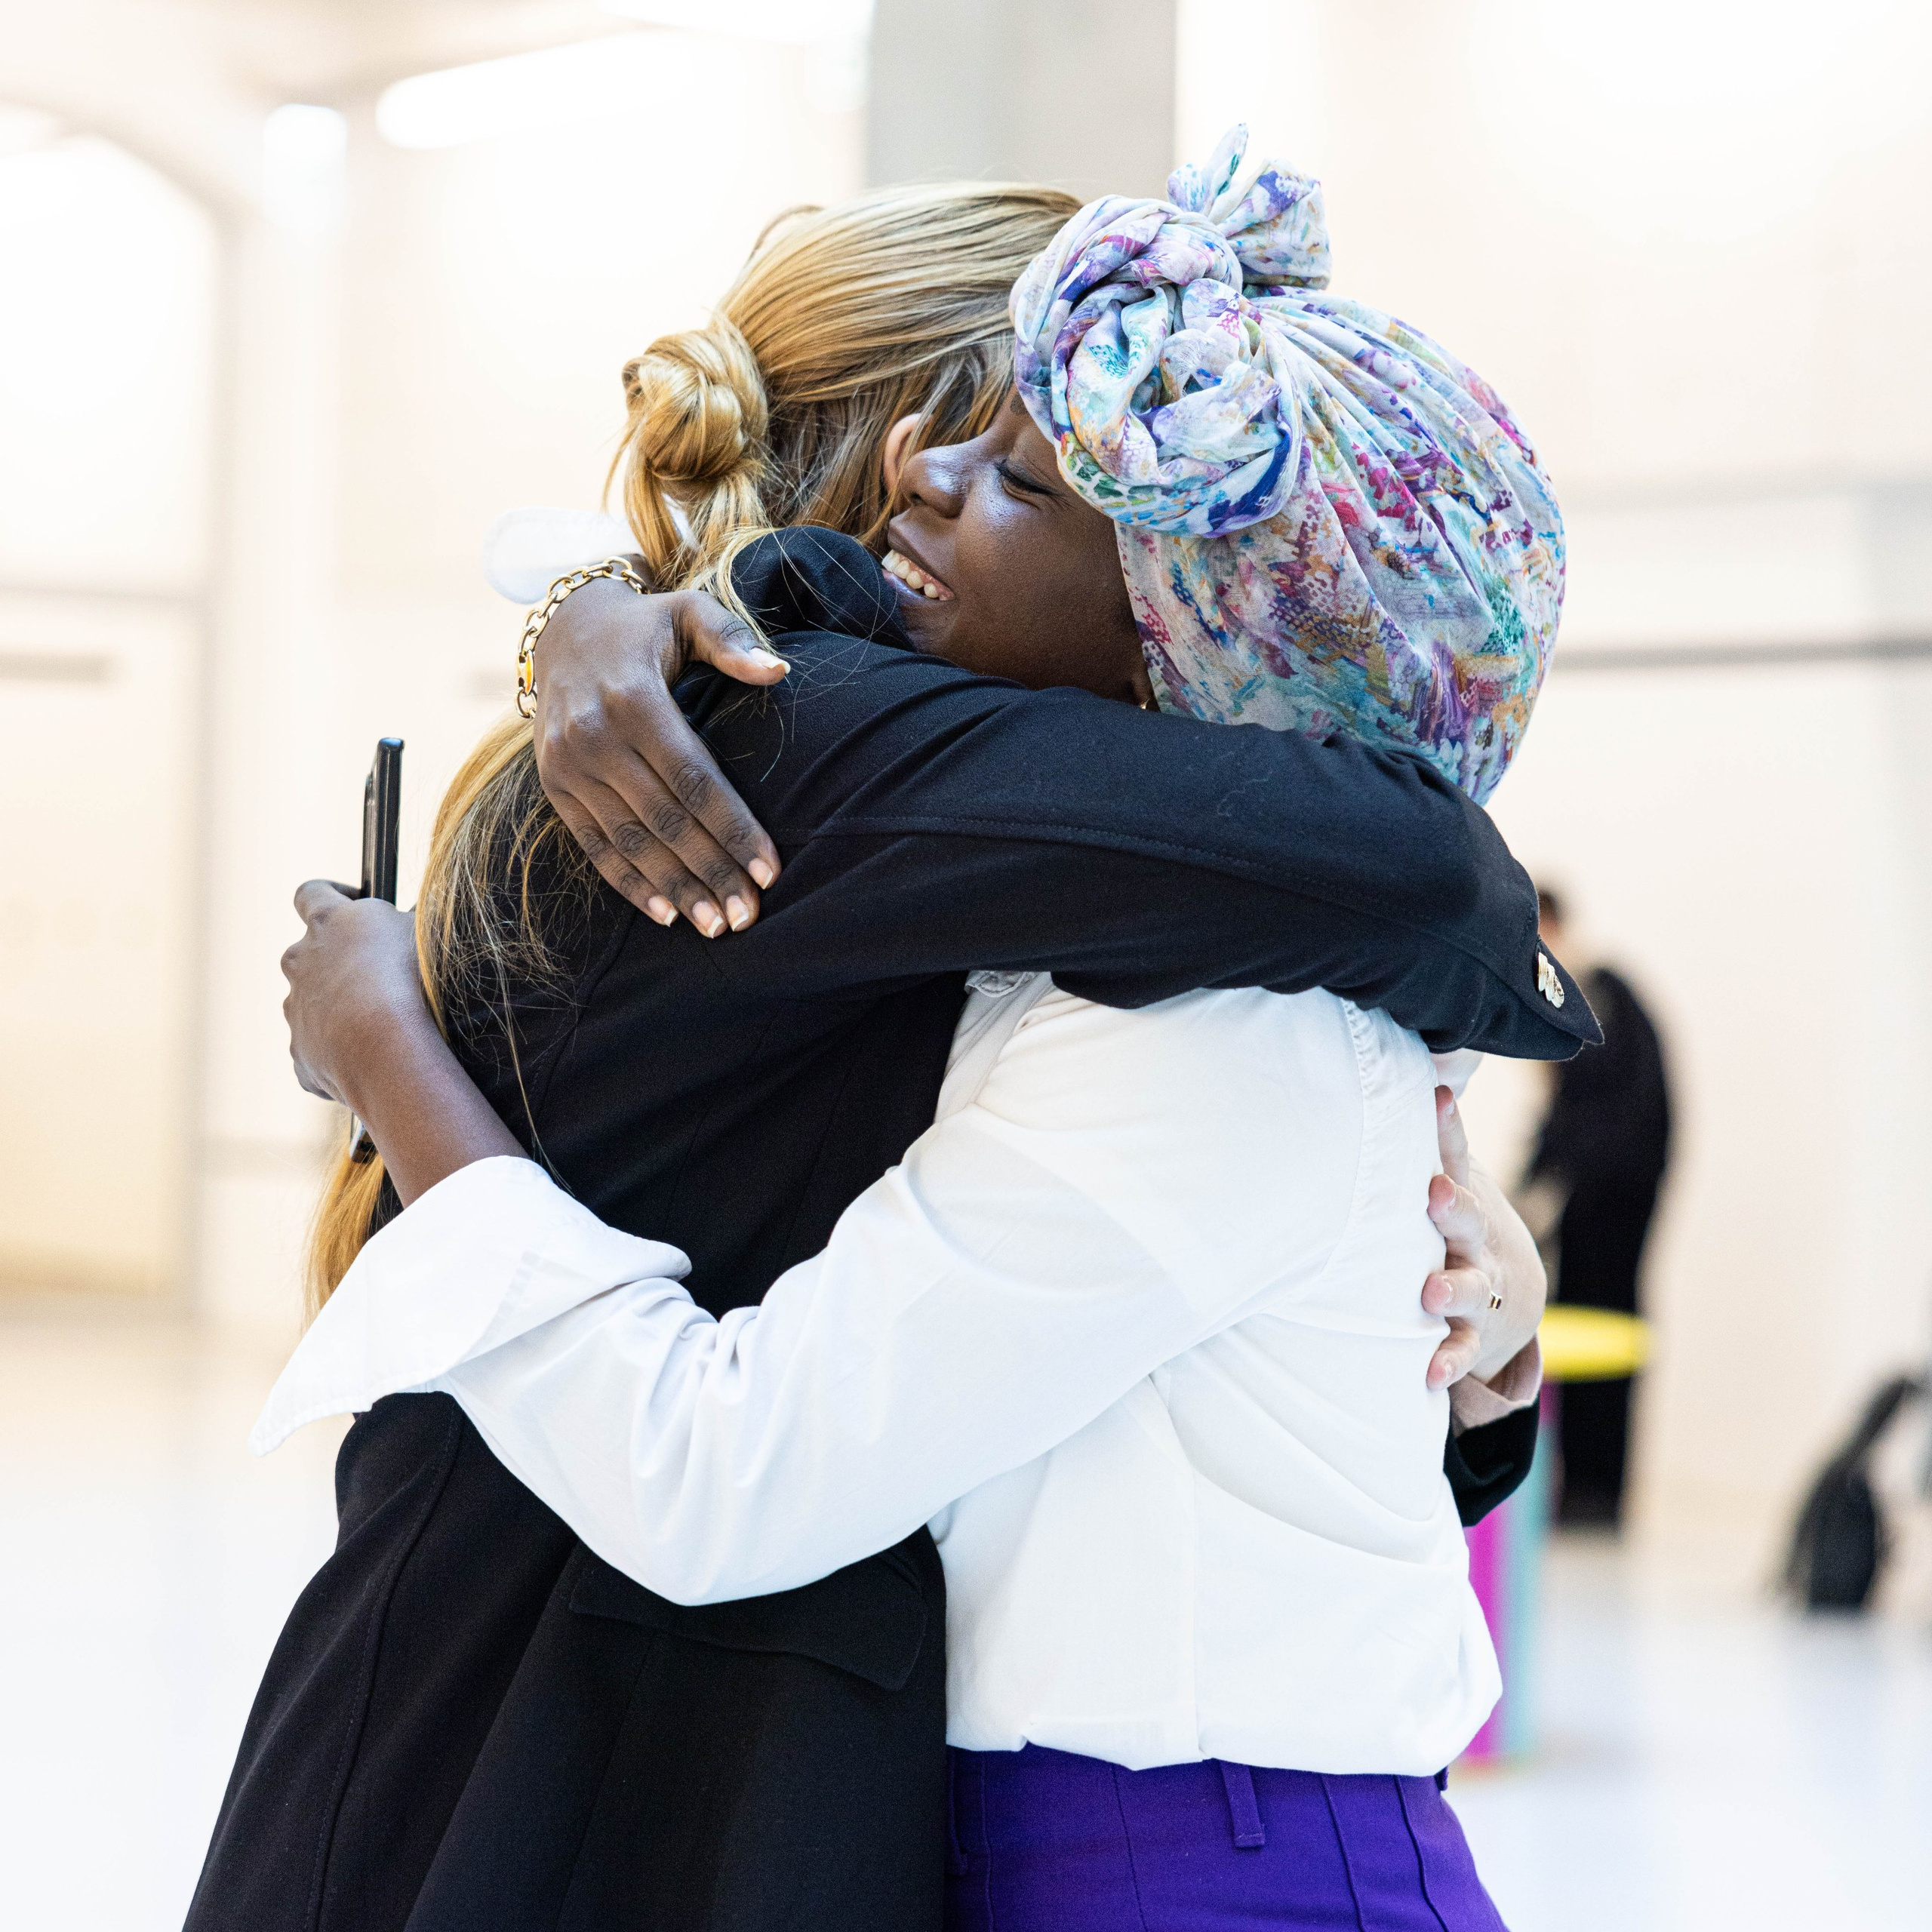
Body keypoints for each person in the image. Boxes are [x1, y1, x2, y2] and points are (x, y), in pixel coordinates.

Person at [254, 128, 1574, 1931]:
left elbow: (1114, 1379)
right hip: (562, 1753)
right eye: (980, 423)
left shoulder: (966, 842)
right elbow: (1423, 876)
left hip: (671, 1743)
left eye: (1031, 464)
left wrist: (1436, 1288)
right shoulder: (800, 740)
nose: (924, 480)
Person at [1525, 885, 1670, 1526]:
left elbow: (1582, 1117)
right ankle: (1582, 1490)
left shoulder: (1592, 992)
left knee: (1599, 1334)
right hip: (1598, 1198)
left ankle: (1593, 1494)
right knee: (1581, 1333)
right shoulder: (1588, 995)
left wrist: (1536, 1186)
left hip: (1613, 1202)